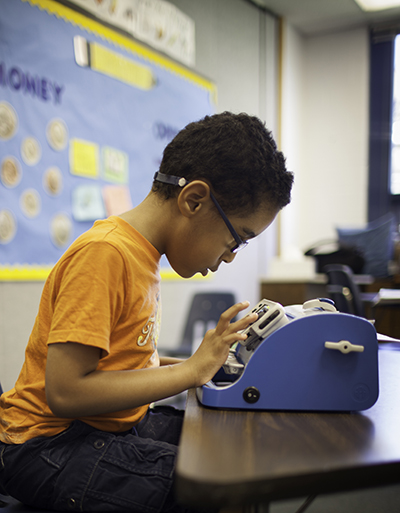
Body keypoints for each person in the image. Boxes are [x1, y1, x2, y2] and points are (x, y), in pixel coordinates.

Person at [0, 112, 293, 512]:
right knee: (214, 484)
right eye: (236, 238)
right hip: (48, 443)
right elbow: (66, 392)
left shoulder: (143, 257)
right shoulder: (106, 254)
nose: (229, 256)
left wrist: (201, 364)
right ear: (193, 200)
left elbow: (130, 362)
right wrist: (189, 373)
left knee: (226, 440)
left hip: (107, 425)